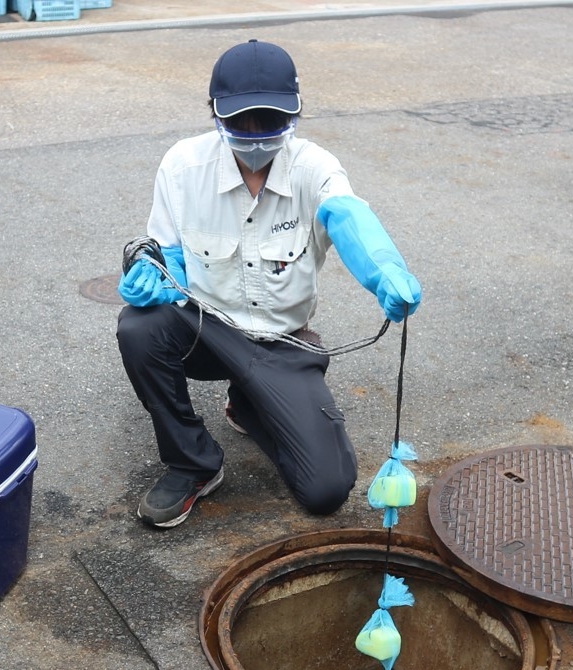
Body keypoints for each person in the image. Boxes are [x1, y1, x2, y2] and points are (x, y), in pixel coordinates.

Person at [116, 39, 421, 528]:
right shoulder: (181, 166)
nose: (256, 139)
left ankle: (250, 401)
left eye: (271, 123)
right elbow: (166, 248)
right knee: (139, 327)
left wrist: (385, 269)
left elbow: (347, 217)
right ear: (214, 114)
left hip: (282, 341)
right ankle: (192, 463)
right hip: (207, 329)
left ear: (295, 117)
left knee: (325, 489)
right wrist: (154, 271)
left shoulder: (314, 168)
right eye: (240, 123)